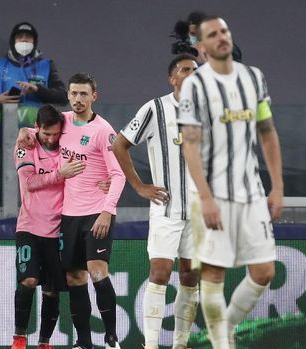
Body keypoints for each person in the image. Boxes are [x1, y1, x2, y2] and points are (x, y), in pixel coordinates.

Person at [177, 16, 283, 349]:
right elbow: (190, 145)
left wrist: (277, 186)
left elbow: (266, 132)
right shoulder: (195, 85)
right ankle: (224, 344)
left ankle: (225, 328)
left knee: (265, 272)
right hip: (214, 195)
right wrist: (205, 198)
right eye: (212, 34)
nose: (220, 37)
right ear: (203, 46)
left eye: (224, 31)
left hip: (251, 193)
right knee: (213, 275)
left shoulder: (254, 78)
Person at [18, 73, 127, 349]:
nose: (78, 99)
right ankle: (84, 342)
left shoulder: (103, 131)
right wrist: (25, 133)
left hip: (96, 212)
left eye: (84, 94)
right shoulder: (64, 121)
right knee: (74, 276)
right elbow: (40, 130)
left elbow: (119, 174)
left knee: (97, 270)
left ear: (94, 97)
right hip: (69, 215)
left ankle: (111, 338)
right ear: (68, 95)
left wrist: (107, 211)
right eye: (74, 94)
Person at [112, 54, 200, 349]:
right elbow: (119, 144)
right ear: (172, 78)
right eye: (185, 70)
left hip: (199, 211)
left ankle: (181, 343)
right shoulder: (156, 108)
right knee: (160, 273)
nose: (192, 74)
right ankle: (150, 344)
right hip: (167, 209)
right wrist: (139, 186)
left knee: (190, 276)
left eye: (196, 70)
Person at [12, 105, 86, 349]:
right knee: (29, 280)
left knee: (53, 290)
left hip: (59, 228)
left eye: (55, 134)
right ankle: (19, 338)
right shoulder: (26, 145)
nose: (52, 139)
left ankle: (44, 342)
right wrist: (60, 174)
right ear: (37, 128)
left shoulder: (67, 144)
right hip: (29, 227)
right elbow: (31, 182)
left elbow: (77, 117)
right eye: (46, 134)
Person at [0, 22, 68, 143]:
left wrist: (38, 90)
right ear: (12, 41)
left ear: (35, 42)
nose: (24, 40)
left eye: (28, 37)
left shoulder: (46, 65)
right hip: (4, 138)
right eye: (19, 37)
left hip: (40, 138)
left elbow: (63, 97)